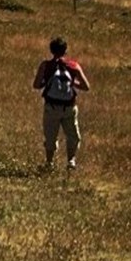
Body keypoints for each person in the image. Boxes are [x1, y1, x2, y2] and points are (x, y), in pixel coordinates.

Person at [33, 37, 90, 173]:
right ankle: (71, 161)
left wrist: (46, 82)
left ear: (51, 50)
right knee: (72, 135)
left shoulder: (46, 65)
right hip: (69, 107)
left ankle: (49, 163)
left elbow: (36, 85)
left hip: (51, 107)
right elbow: (86, 86)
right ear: (65, 51)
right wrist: (72, 83)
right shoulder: (73, 66)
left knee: (51, 135)